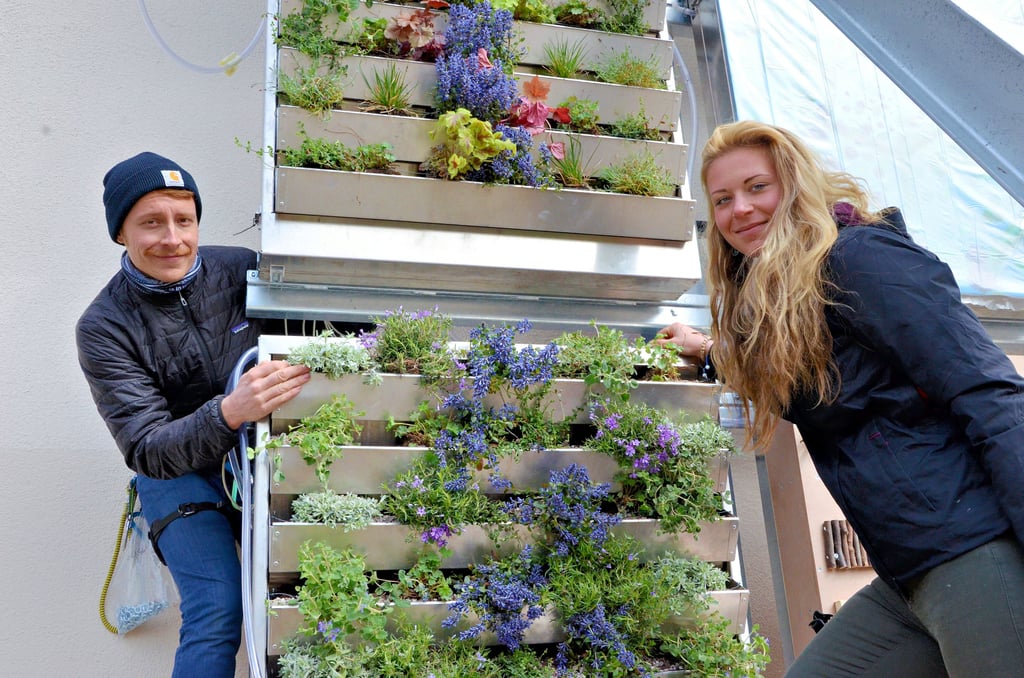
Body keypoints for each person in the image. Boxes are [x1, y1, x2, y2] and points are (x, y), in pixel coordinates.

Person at [657, 121, 1024, 676]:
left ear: (796, 184)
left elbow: (989, 390)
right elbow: (797, 379)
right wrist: (708, 353)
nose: (741, 210)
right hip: (907, 575)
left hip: (975, 551)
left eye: (758, 187)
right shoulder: (789, 302)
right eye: (723, 199)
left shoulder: (860, 259)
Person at [76, 152, 311, 677]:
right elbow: (147, 447)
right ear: (121, 233)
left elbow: (313, 332)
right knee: (217, 610)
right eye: (151, 223)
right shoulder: (103, 326)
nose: (173, 238)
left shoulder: (242, 269)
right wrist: (229, 411)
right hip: (177, 475)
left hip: (263, 457)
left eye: (184, 220)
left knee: (297, 600)